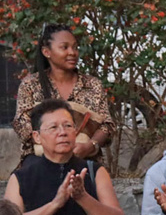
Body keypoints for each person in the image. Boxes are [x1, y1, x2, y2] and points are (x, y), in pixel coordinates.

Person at [13, 24, 115, 165]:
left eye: (75, 47)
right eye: (64, 47)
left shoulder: (92, 85)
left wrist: (90, 146)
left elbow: (107, 126)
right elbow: (22, 125)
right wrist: (59, 147)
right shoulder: (31, 85)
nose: (72, 52)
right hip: (39, 165)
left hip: (84, 165)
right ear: (46, 52)